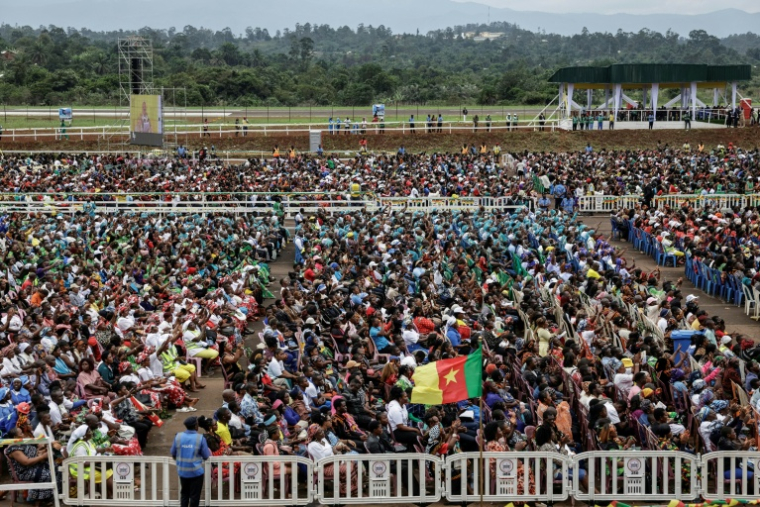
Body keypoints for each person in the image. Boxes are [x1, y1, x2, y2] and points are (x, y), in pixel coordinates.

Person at [171, 416, 211, 507]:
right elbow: (206, 456)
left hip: (183, 471)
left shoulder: (178, 436)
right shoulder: (200, 438)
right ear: (196, 426)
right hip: (196, 473)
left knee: (184, 494)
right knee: (194, 496)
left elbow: (173, 453)